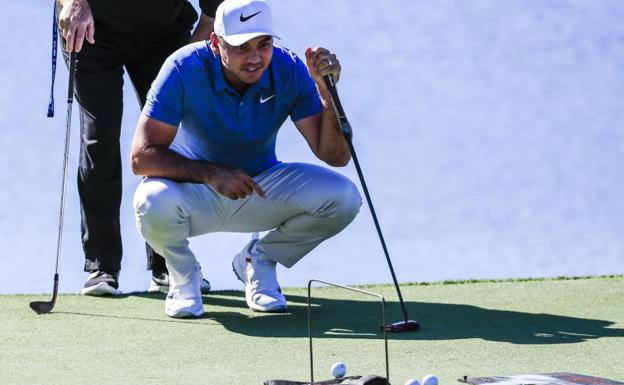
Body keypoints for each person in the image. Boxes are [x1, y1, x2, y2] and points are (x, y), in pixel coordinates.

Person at [131, 0, 362, 318]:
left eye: (263, 44)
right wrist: (212, 174)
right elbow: (141, 158)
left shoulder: (288, 68)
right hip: (193, 193)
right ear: (216, 42)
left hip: (259, 188)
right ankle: (183, 275)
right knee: (150, 201)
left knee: (344, 198)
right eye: (242, 46)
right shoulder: (182, 67)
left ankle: (259, 260)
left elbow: (335, 156)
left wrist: (326, 94)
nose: (255, 58)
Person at [55, 0, 223, 295]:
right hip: (94, 27)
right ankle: (102, 265)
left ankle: (166, 263)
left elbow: (214, 11)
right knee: (100, 138)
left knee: (165, 142)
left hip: (164, 32)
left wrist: (199, 39)